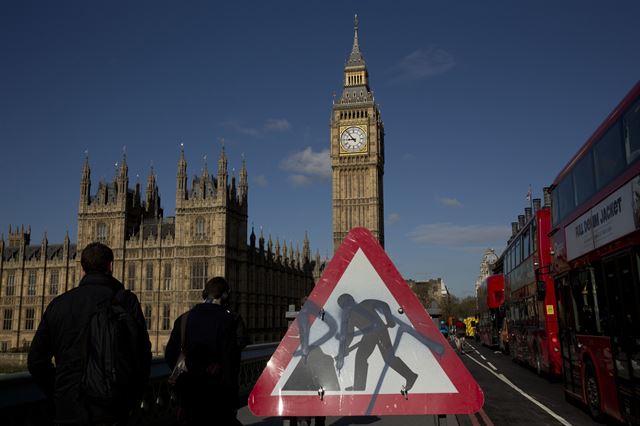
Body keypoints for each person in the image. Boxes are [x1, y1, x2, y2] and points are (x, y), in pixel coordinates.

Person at [28, 242, 151, 425]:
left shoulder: (58, 305)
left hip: (67, 409)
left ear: (82, 268)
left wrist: (60, 391)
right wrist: (129, 399)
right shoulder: (125, 301)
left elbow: (36, 362)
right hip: (111, 409)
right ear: (111, 266)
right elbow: (142, 358)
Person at [165, 277, 243, 425]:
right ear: (225, 295)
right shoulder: (228, 320)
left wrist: (188, 376)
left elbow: (170, 355)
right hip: (216, 398)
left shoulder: (183, 319)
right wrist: (232, 401)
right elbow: (231, 365)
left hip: (189, 397)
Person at [335, 293, 418, 392]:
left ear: (352, 300)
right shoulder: (350, 317)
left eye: (347, 302)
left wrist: (389, 319)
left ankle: (411, 376)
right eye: (344, 304)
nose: (347, 305)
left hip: (380, 332)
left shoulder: (366, 303)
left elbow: (384, 305)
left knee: (388, 358)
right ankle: (359, 387)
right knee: (360, 357)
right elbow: (350, 335)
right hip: (368, 336)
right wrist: (345, 349)